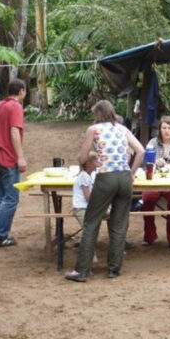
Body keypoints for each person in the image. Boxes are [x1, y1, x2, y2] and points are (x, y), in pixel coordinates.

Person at [65, 100, 144, 282]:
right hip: (124, 177)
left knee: (91, 222)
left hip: (106, 177)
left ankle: (82, 270)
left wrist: (93, 156)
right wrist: (131, 174)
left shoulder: (94, 130)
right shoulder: (123, 129)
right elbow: (140, 151)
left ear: (97, 114)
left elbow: (83, 157)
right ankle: (114, 269)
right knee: (119, 224)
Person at [0, 78, 27, 247]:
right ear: (21, 91)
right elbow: (14, 132)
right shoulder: (16, 107)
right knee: (10, 198)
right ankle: (0, 235)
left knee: (0, 196)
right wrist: (20, 157)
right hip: (7, 158)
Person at [141, 115, 170, 249]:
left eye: (169, 128)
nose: (166, 131)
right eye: (163, 128)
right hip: (154, 182)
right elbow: (145, 165)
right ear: (159, 129)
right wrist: (154, 162)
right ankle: (149, 236)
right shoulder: (152, 143)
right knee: (147, 200)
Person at [72, 151, 98, 262]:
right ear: (89, 163)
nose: (98, 163)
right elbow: (88, 197)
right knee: (89, 232)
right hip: (81, 209)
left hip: (87, 208)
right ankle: (89, 260)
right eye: (96, 161)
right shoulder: (84, 177)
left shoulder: (88, 176)